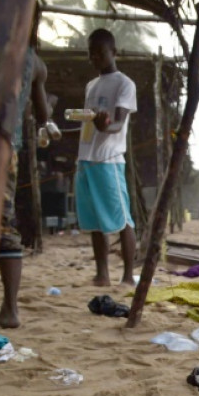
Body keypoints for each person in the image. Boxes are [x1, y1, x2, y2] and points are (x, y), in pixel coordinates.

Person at [0, 9, 52, 328]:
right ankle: (9, 308)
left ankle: (8, 309)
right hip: (6, 150)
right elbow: (45, 116)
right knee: (2, 226)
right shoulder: (35, 63)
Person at [75, 28, 138, 286]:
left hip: (109, 160)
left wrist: (106, 126)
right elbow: (89, 122)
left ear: (114, 52)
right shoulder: (91, 85)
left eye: (100, 53)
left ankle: (127, 276)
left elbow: (119, 122)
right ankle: (102, 274)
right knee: (95, 222)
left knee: (122, 219)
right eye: (91, 54)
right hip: (86, 158)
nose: (95, 58)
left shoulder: (125, 84)